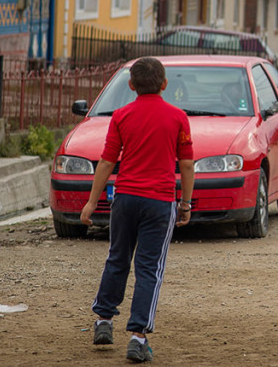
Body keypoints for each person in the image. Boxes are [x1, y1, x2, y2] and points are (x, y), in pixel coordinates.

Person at [80, 57, 194, 363]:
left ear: (131, 86)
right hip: (159, 201)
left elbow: (106, 161)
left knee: (117, 257)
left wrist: (91, 202)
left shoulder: (121, 115)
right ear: (165, 84)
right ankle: (138, 337)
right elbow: (185, 163)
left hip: (125, 199)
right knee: (149, 269)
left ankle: (104, 320)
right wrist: (185, 203)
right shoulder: (178, 117)